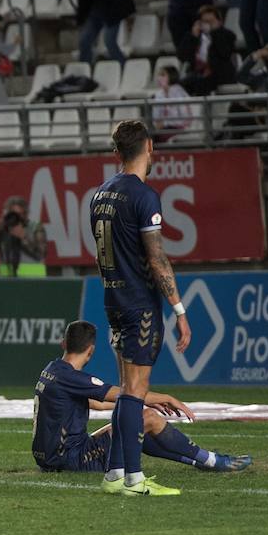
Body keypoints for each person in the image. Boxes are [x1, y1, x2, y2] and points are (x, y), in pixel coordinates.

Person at [89, 119, 192, 497]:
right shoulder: (143, 195)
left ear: (117, 152)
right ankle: (133, 478)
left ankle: (115, 472)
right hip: (139, 305)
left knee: (126, 390)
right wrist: (179, 310)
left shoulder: (100, 194)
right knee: (134, 392)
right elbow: (157, 257)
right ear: (149, 146)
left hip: (113, 299)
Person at [33, 321, 251, 474]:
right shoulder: (72, 377)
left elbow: (95, 403)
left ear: (64, 343)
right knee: (149, 417)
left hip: (49, 457)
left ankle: (196, 460)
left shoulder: (52, 369)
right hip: (70, 459)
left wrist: (127, 411)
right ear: (91, 350)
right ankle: (211, 460)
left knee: (131, 423)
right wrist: (162, 397)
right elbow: (125, 392)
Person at [176, 4, 237, 96]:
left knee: (200, 83)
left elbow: (225, 53)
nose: (208, 24)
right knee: (176, 87)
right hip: (197, 74)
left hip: (219, 74)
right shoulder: (195, 36)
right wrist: (193, 37)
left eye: (211, 21)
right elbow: (182, 56)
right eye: (204, 22)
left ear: (219, 22)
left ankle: (203, 109)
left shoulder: (227, 35)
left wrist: (216, 32)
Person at [0, 195, 47, 277]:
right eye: (13, 214)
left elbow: (41, 254)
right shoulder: (3, 229)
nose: (17, 217)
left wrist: (24, 237)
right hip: (7, 280)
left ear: (26, 213)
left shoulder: (35, 228)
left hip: (33, 279)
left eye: (20, 214)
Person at [150, 66, 195, 139]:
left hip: (180, 128)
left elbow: (185, 119)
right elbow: (156, 118)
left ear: (171, 76)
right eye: (159, 75)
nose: (159, 78)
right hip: (163, 129)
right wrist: (157, 124)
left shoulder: (179, 92)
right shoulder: (158, 94)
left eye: (163, 75)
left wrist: (164, 123)